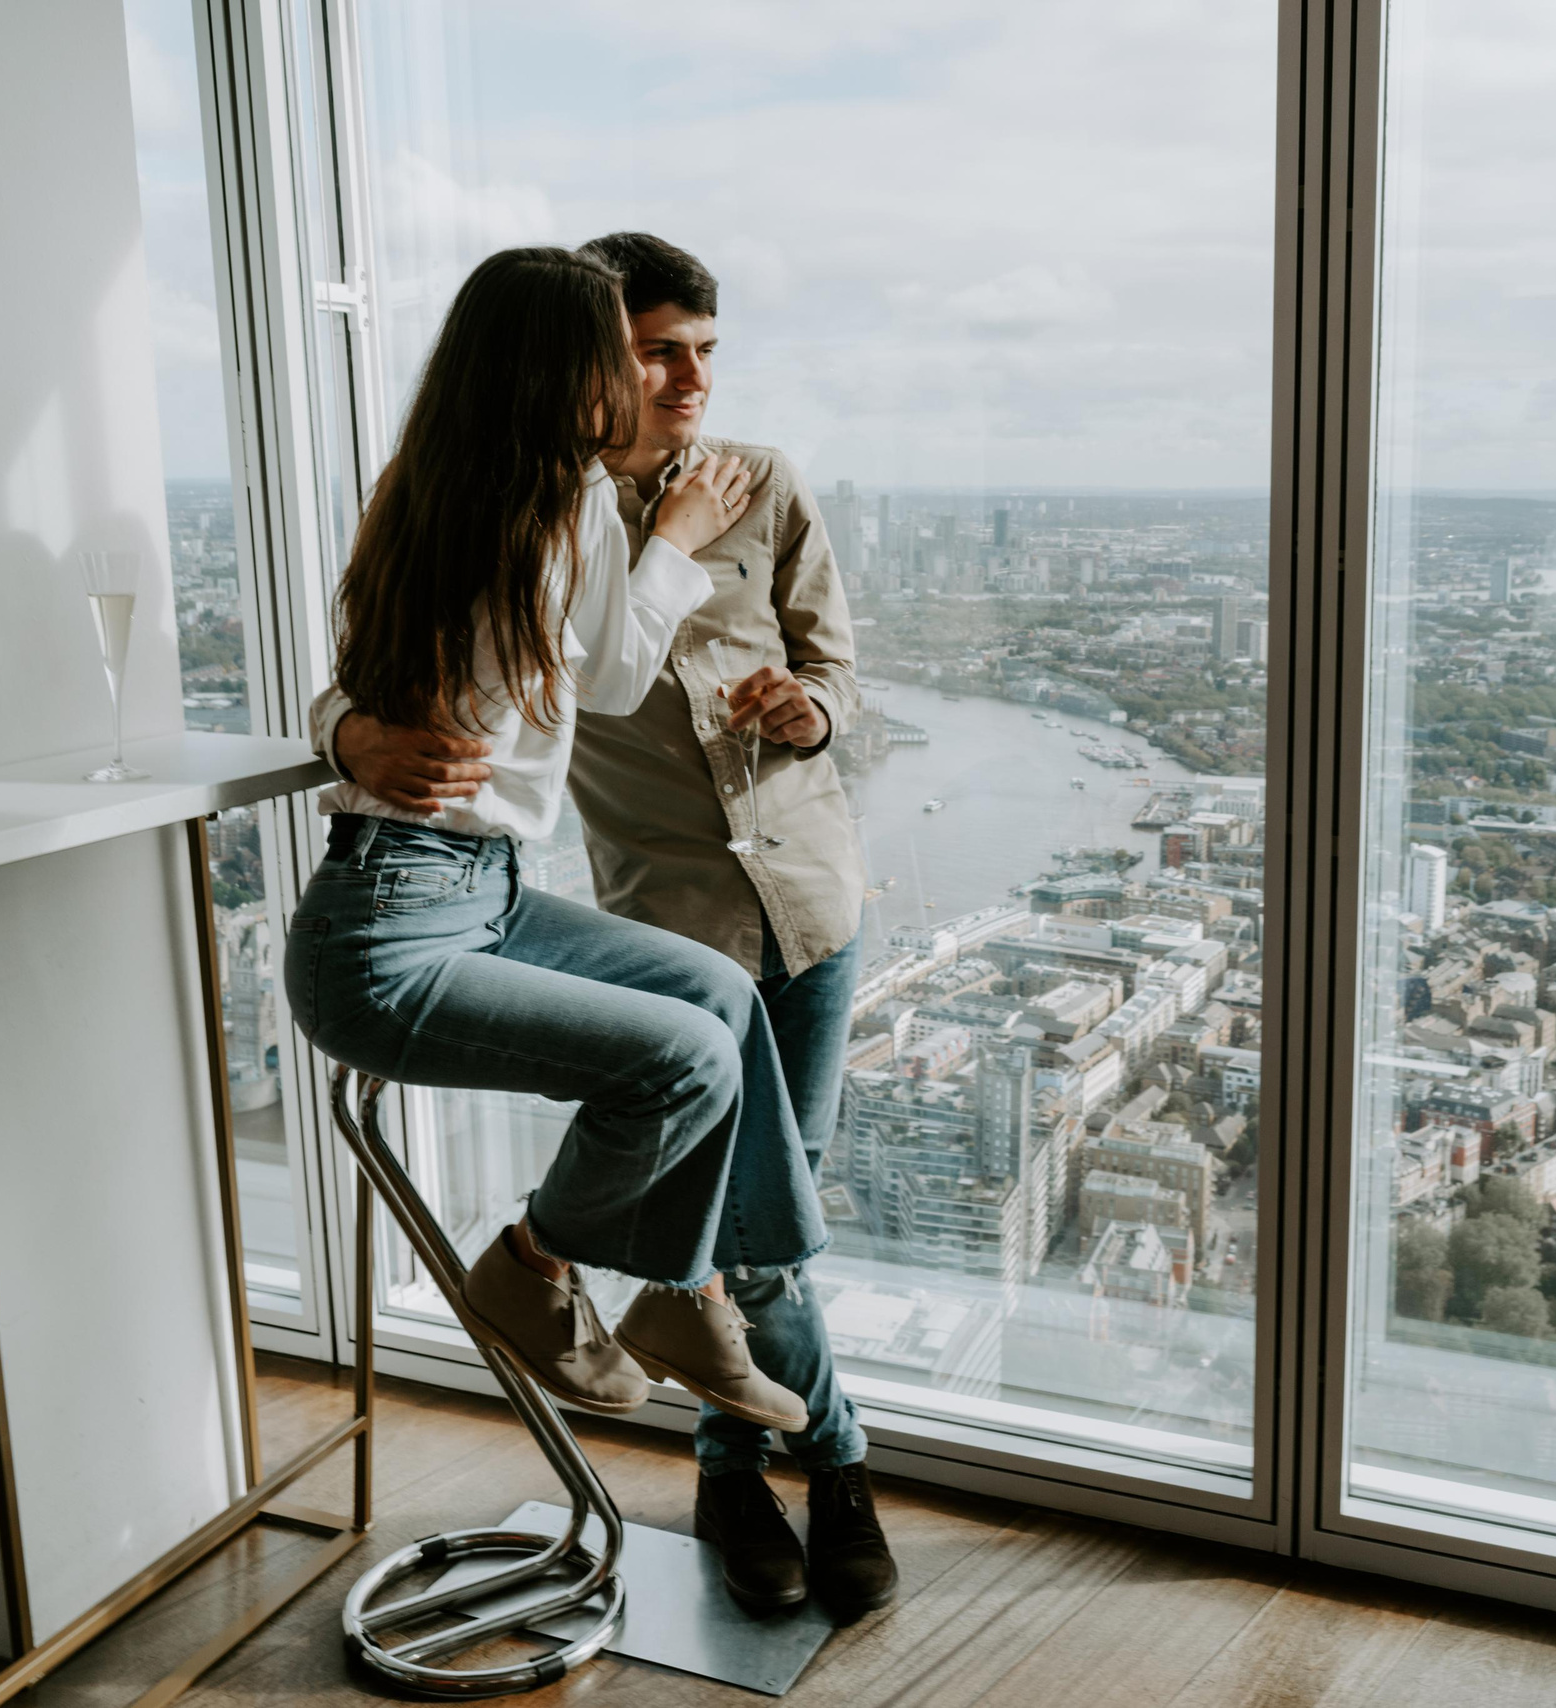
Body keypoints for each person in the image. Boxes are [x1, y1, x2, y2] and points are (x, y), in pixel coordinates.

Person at [316, 234, 897, 1620]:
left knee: (765, 1223)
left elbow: (840, 675)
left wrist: (808, 713)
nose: (689, 378)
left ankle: (728, 1461)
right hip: (638, 898)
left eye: (706, 349)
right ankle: (820, 1461)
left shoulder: (759, 487)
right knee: (758, 1230)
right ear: (584, 365)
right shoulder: (528, 500)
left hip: (805, 906)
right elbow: (401, 667)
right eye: (654, 352)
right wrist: (348, 730)